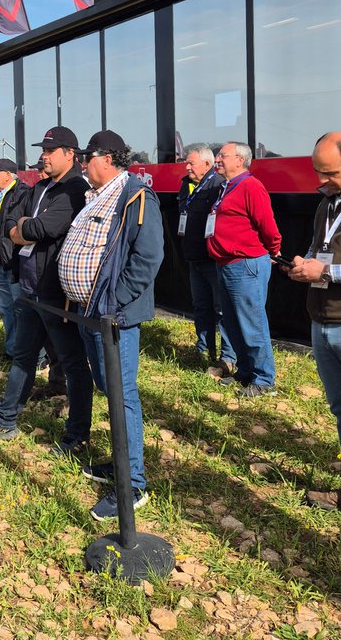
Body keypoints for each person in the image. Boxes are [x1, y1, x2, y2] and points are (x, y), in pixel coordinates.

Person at [59, 130, 164, 521]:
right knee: (109, 388)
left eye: (87, 158)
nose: (83, 164)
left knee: (122, 394)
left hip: (111, 315)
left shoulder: (136, 195)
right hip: (91, 312)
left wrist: (114, 300)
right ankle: (119, 462)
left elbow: (148, 257)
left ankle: (132, 483)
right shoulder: (97, 194)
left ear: (106, 158)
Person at [0, 126, 92, 450]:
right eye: (43, 150)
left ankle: (76, 435)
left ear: (70, 154)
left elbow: (45, 227)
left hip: (55, 292)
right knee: (23, 356)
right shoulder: (39, 187)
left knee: (73, 362)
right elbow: (14, 222)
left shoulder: (74, 189)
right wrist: (23, 229)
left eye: (50, 151)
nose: (44, 156)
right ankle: (4, 421)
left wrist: (23, 229)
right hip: (27, 286)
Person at [287, 132, 341, 503]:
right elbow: (317, 247)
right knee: (338, 407)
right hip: (321, 319)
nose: (321, 181)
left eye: (330, 173)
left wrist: (323, 274)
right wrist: (302, 263)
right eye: (318, 172)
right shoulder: (326, 203)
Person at [206, 142, 281, 397]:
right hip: (226, 264)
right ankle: (246, 372)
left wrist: (274, 250)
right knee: (234, 322)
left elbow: (267, 224)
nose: (217, 159)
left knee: (251, 322)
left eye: (222, 156)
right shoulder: (226, 186)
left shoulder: (250, 185)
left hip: (245, 264)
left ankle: (264, 380)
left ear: (240, 160)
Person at [178, 144, 237, 378]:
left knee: (221, 309)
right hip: (194, 257)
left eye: (191, 163)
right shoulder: (187, 184)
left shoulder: (217, 184)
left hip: (213, 259)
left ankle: (228, 357)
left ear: (207, 163)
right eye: (186, 162)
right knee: (200, 307)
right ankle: (203, 350)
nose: (187, 166)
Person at [0, 158, 29, 358]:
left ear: (8, 176)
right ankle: (12, 349)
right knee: (5, 308)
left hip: (14, 261)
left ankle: (29, 352)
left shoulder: (23, 194)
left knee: (22, 309)